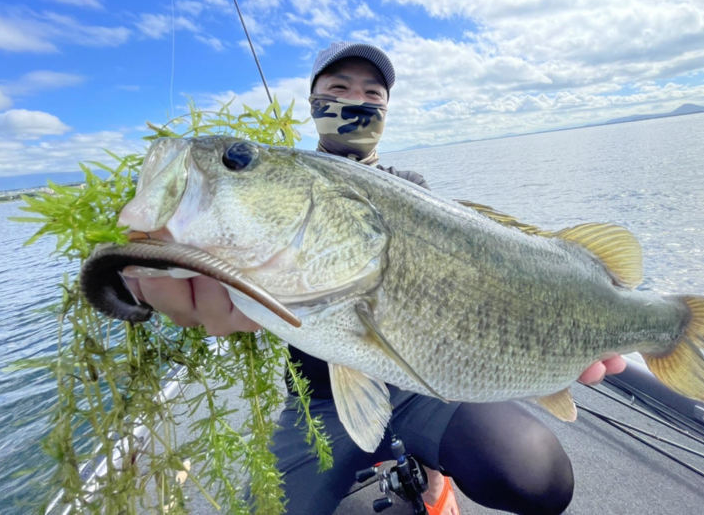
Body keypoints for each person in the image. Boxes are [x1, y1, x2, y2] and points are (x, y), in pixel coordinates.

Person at [125, 42, 626, 515]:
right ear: (314, 102)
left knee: (540, 476)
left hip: (422, 391)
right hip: (318, 404)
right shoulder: (274, 198)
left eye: (372, 94)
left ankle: (432, 463)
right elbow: (144, 264)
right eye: (339, 89)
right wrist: (126, 278)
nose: (355, 102)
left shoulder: (413, 194)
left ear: (387, 110)